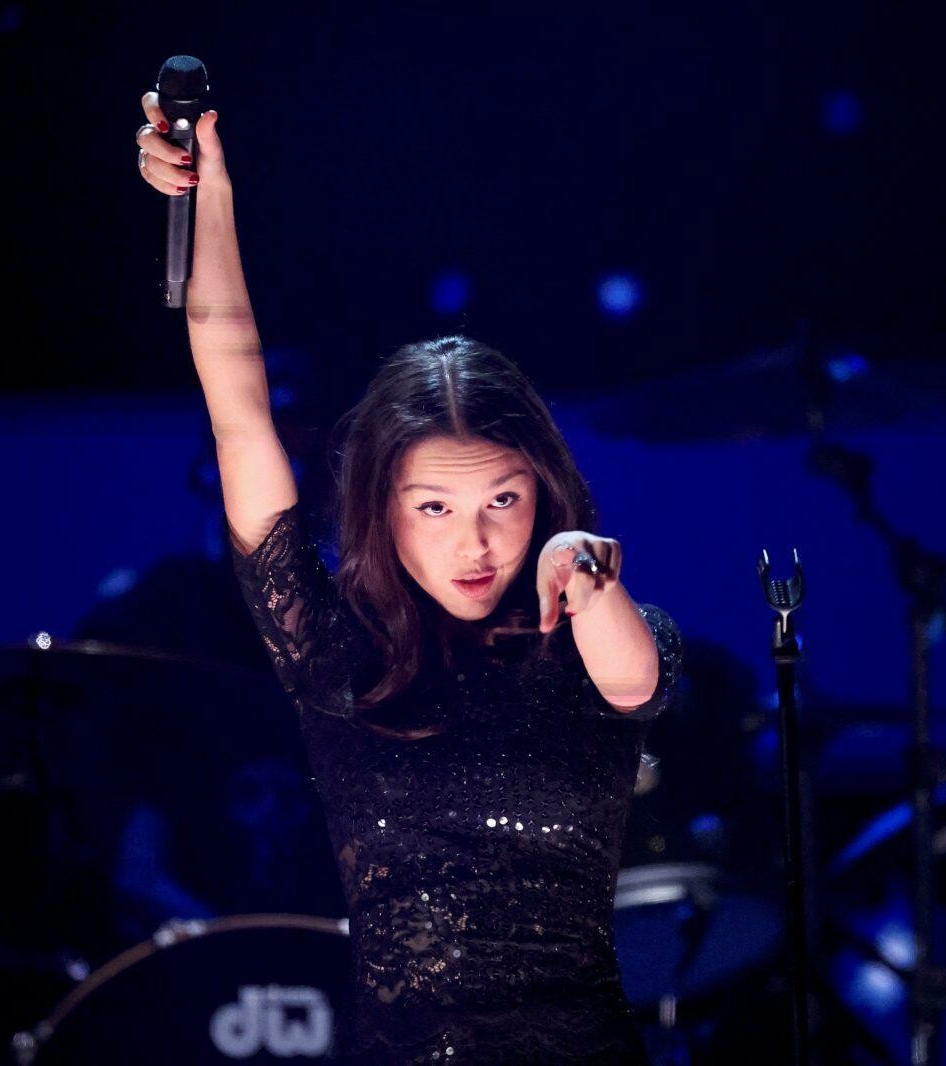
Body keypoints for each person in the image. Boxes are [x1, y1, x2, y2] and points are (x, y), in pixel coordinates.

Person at [135, 96, 685, 1065]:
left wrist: (590, 575)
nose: (476, 542)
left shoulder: (593, 639)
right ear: (382, 511)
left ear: (543, 492)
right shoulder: (332, 649)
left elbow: (636, 679)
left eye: (504, 500)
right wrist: (207, 195)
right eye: (434, 507)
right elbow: (239, 412)